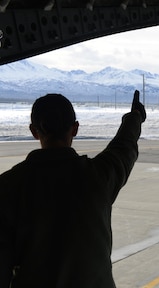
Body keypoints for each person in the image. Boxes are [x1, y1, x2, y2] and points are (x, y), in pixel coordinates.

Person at [0, 91, 146, 288]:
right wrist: (135, 117)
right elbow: (124, 147)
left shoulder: (8, 186)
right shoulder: (99, 177)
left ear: (34, 131)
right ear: (75, 128)